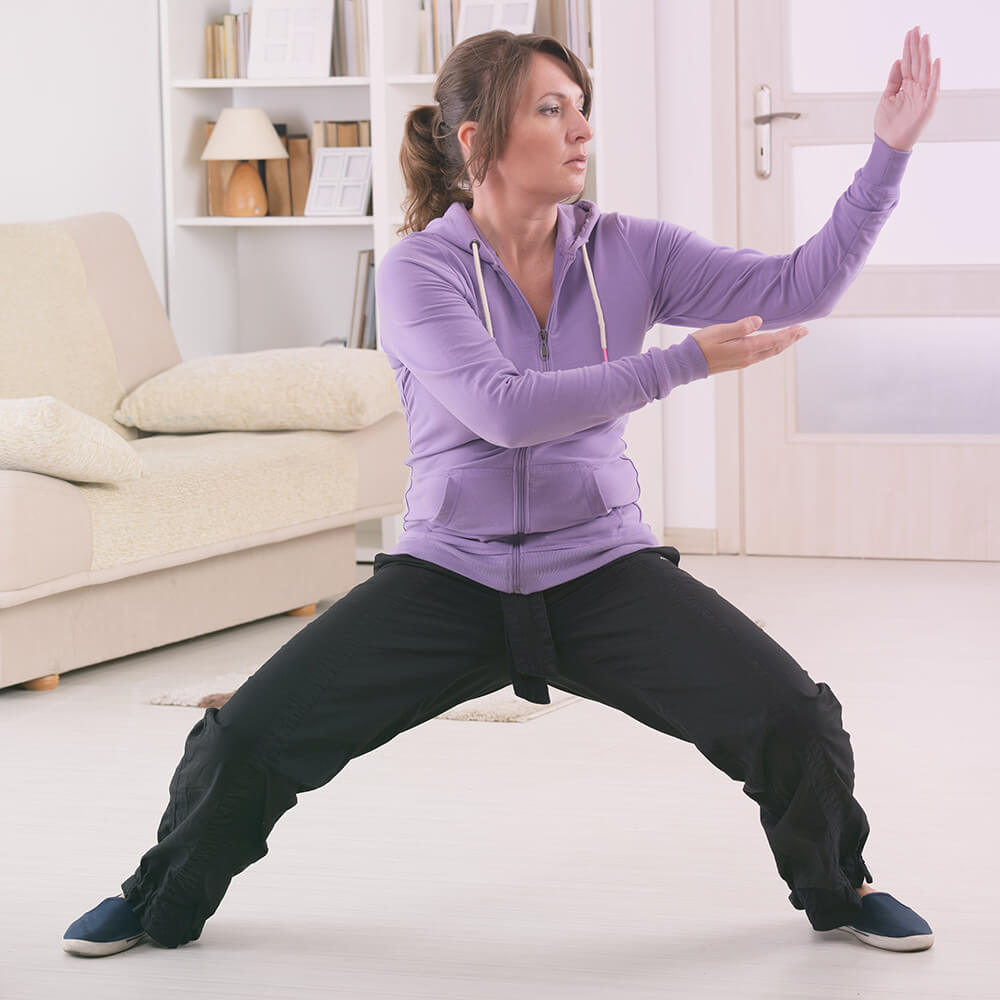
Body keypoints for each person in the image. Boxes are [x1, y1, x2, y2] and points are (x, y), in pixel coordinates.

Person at [63, 25, 941, 958]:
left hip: (602, 565)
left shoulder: (630, 251)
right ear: (477, 139)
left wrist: (889, 153)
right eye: (550, 109)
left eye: (582, 108)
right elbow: (503, 410)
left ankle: (842, 889)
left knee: (795, 720)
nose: (579, 131)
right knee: (245, 740)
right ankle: (157, 896)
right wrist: (681, 362)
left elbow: (797, 285)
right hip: (449, 575)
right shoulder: (417, 270)